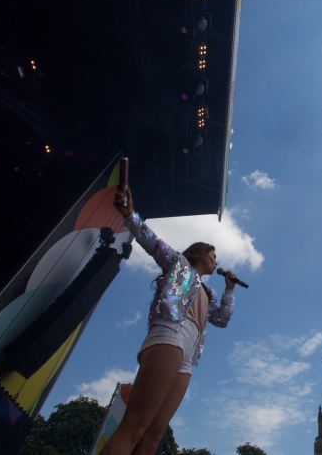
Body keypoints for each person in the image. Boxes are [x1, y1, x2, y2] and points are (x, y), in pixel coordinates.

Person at [101, 186, 238, 455]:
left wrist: (229, 290)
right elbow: (152, 242)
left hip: (189, 353)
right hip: (171, 333)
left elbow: (222, 320)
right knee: (136, 423)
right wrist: (130, 215)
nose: (216, 260)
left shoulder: (206, 293)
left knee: (153, 434)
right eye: (212, 255)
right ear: (198, 254)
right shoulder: (179, 266)